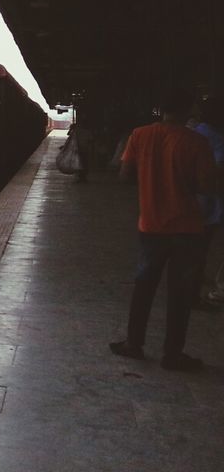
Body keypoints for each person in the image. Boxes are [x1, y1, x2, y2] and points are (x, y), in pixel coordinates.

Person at [110, 88, 215, 371]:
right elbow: (207, 186)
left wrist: (150, 180)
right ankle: (172, 354)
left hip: (150, 225)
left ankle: (134, 343)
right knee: (180, 294)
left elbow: (124, 176)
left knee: (144, 288)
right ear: (189, 109)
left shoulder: (140, 135)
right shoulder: (197, 142)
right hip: (187, 228)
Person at [192, 97, 224, 304]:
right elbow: (219, 169)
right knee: (200, 247)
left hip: (192, 198)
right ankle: (194, 291)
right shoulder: (218, 138)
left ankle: (192, 285)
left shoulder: (193, 132)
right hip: (210, 199)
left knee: (195, 247)